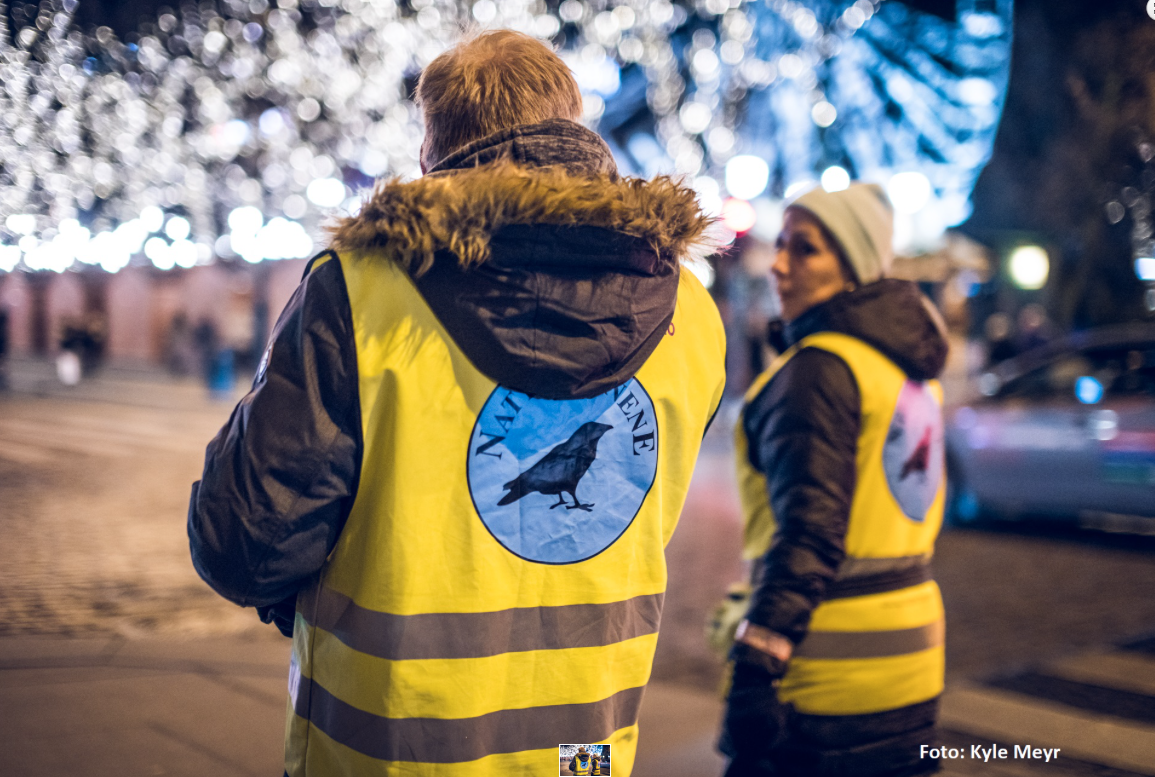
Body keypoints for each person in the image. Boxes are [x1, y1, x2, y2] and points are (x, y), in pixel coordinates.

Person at [187, 29, 726, 777]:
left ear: (429, 156)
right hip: (586, 748)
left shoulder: (360, 292)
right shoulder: (690, 311)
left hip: (392, 749)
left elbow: (242, 540)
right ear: (576, 129)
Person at [719, 183, 949, 776]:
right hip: (913, 654)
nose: (778, 262)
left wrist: (757, 659)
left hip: (827, 671)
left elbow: (810, 534)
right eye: (782, 244)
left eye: (806, 249)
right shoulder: (905, 370)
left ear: (852, 268)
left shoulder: (819, 371)